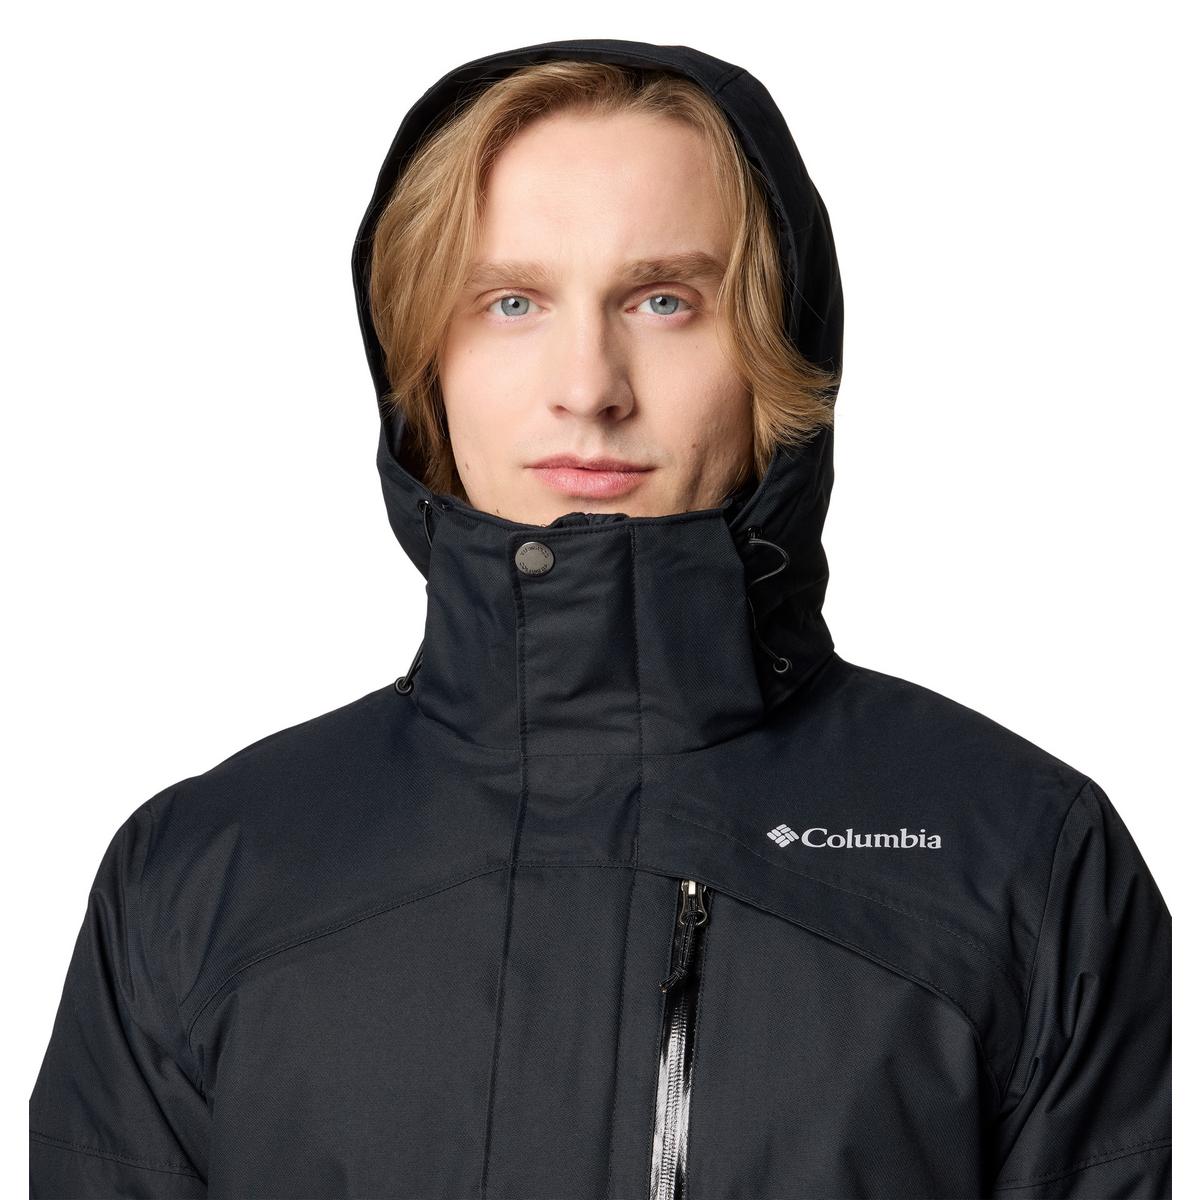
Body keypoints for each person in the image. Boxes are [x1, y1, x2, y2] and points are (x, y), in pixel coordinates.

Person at [29, 37, 1171, 1200]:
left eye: (665, 301)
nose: (589, 385)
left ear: (778, 351)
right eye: (511, 302)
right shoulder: (199, 879)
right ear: (421, 363)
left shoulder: (1024, 863)